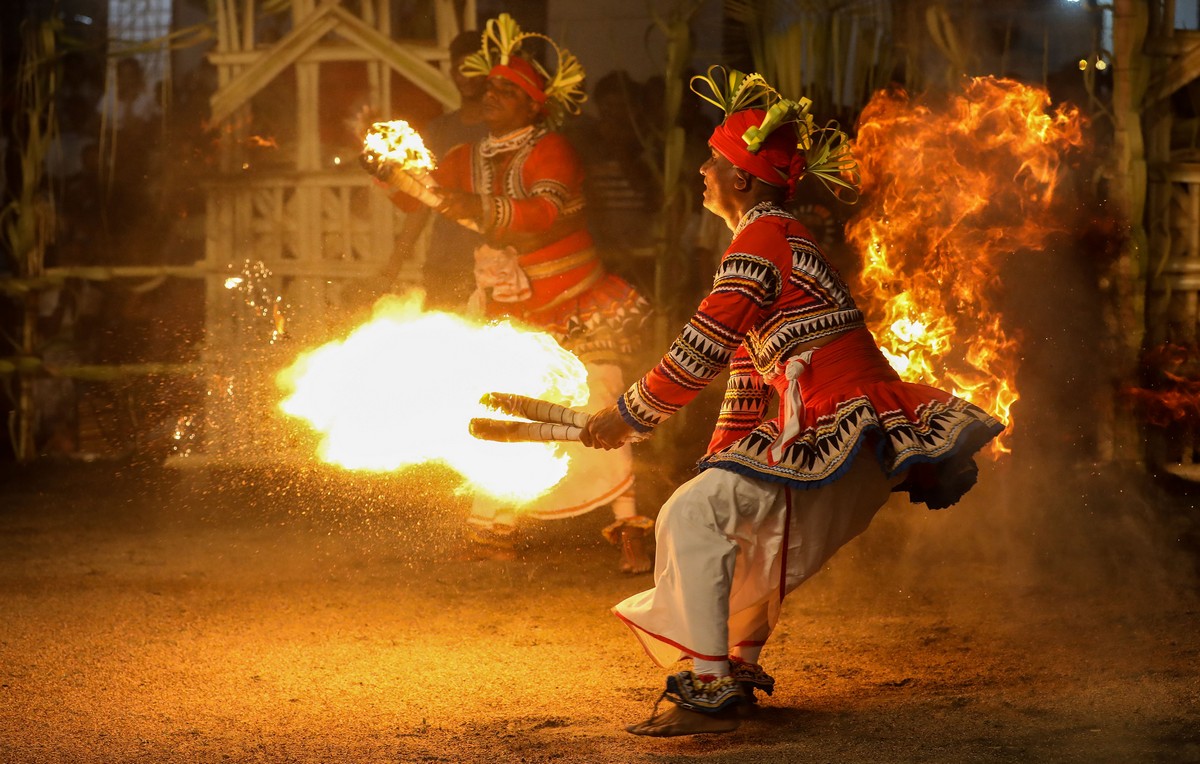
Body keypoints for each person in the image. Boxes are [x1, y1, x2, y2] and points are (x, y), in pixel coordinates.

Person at [579, 67, 1005, 736]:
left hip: (837, 426)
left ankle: (710, 690)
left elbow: (703, 347)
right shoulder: (775, 238)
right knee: (727, 525)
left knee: (693, 521)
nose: (702, 173)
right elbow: (747, 386)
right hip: (844, 438)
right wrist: (714, 469)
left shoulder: (763, 239)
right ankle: (732, 671)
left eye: (713, 163)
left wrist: (626, 416)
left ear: (742, 180)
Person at [370, 14, 654, 573]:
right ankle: (493, 530)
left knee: (602, 408)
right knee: (500, 410)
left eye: (507, 89)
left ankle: (629, 528)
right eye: (491, 84)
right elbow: (417, 197)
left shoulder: (554, 151)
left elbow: (542, 213)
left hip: (576, 300)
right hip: (507, 309)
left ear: (533, 105)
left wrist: (473, 208)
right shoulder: (466, 156)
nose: (491, 93)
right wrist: (387, 171)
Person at [383, 29, 489, 310]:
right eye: (459, 69)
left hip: (496, 265)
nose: (465, 77)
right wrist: (392, 266)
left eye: (473, 67)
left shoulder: (505, 130)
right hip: (445, 264)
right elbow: (420, 203)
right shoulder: (440, 131)